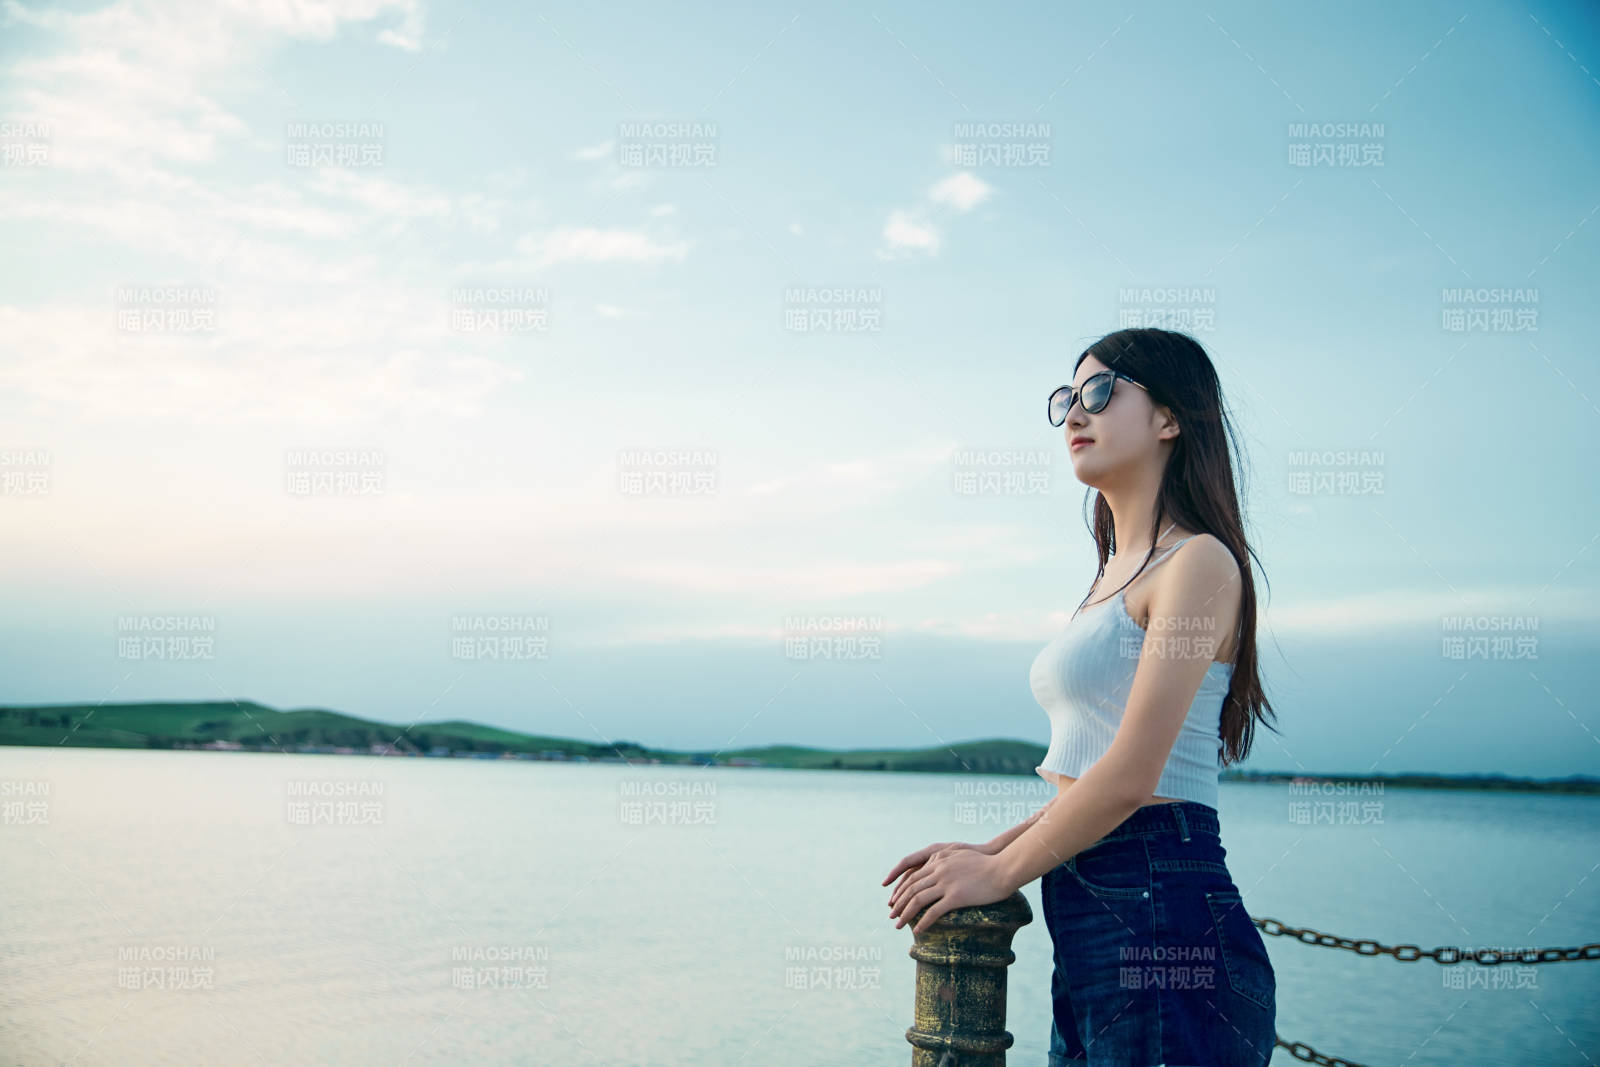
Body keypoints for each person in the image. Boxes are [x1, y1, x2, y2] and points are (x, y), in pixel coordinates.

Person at [884, 327, 1281, 1066]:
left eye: (1100, 392)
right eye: (1067, 398)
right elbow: (1091, 768)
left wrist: (1003, 873)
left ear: (1171, 418)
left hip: (1161, 903)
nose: (1074, 413)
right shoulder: (1110, 577)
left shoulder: (1198, 562)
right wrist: (988, 848)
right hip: (1096, 897)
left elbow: (1135, 773)